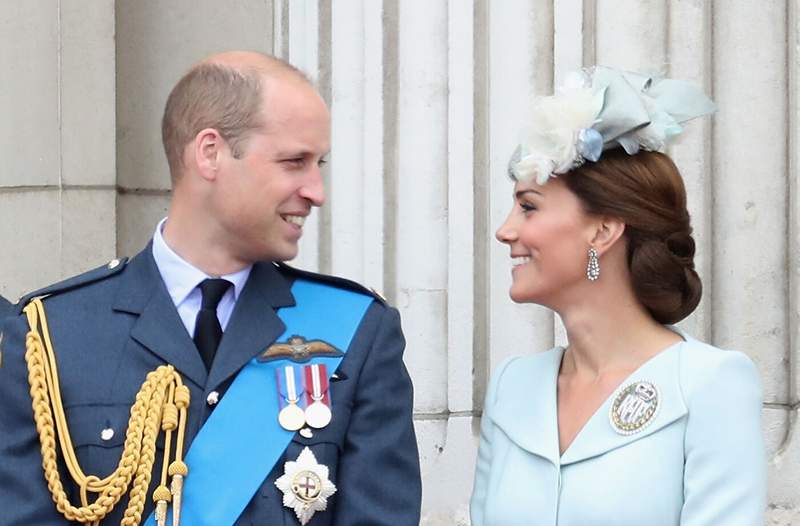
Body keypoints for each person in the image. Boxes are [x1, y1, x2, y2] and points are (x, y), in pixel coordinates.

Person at [0, 51, 421, 525]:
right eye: (294, 162)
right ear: (210, 152)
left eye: (317, 163)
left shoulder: (358, 332)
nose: (316, 191)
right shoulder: (49, 337)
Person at [470, 67, 766, 525]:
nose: (505, 230)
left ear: (604, 230)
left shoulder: (710, 384)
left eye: (528, 206)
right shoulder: (513, 386)